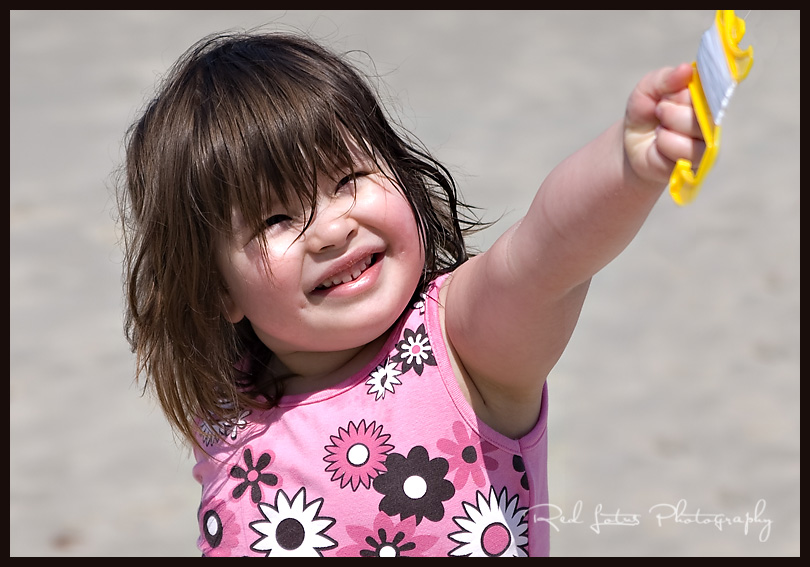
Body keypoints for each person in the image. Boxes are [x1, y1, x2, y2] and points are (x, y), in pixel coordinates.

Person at [115, 30, 704, 557]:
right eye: (273, 219)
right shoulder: (228, 409)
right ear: (214, 288)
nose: (332, 229)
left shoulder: (461, 346)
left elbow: (546, 252)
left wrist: (628, 166)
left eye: (348, 179)